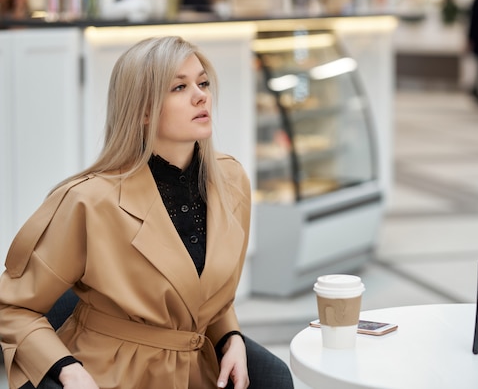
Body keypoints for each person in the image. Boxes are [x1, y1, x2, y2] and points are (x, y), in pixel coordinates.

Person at [0, 36, 293, 389]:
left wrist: (230, 337)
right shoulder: (87, 202)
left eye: (202, 83)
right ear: (142, 110)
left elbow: (206, 294)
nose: (201, 96)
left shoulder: (232, 181)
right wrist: (67, 368)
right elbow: (12, 308)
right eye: (179, 87)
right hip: (109, 375)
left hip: (198, 373)